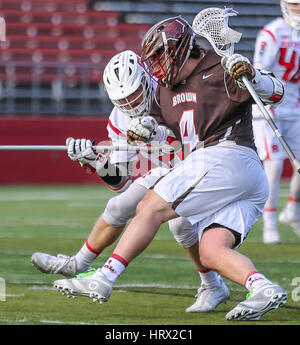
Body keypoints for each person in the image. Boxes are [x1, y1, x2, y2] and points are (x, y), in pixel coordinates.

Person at [52, 16, 287, 321]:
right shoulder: (165, 90)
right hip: (235, 176)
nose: (156, 67)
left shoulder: (219, 67)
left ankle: (103, 278)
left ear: (177, 50)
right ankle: (263, 288)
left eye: (159, 57)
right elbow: (169, 133)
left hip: (228, 155)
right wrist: (147, 130)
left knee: (150, 207)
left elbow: (277, 92)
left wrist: (253, 77)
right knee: (211, 251)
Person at [31, 50, 230, 313]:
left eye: (135, 94)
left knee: (180, 225)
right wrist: (93, 160)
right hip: (166, 168)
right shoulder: (119, 118)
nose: (131, 104)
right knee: (118, 205)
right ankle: (79, 264)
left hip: (198, 164)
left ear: (147, 80)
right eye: (123, 99)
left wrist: (156, 135)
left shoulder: (173, 92)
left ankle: (212, 284)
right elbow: (120, 180)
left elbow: (195, 141)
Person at [252, 0, 300, 244]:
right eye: (294, 5)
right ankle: (269, 223)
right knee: (275, 162)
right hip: (271, 107)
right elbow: (259, 71)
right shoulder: (273, 32)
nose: (298, 11)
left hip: (296, 107)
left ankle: (292, 210)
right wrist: (268, 102)